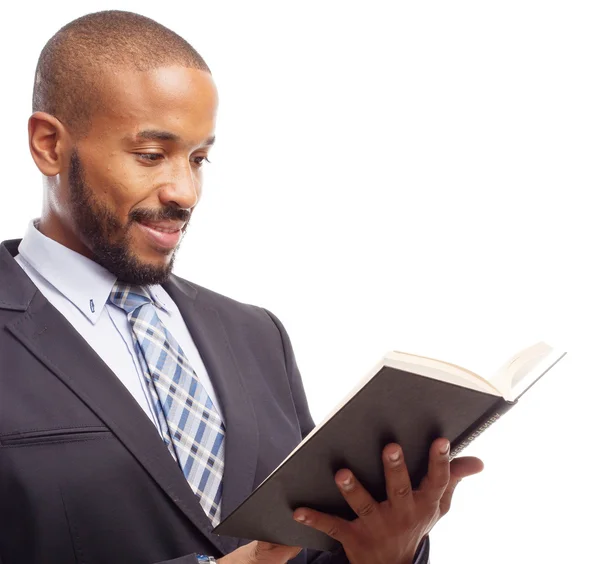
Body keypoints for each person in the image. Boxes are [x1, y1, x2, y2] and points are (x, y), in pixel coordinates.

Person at [0, 10, 483, 564]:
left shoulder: (256, 336)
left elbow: (296, 548)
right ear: (48, 145)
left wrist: (383, 551)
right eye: (151, 155)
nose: (185, 191)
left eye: (199, 158)